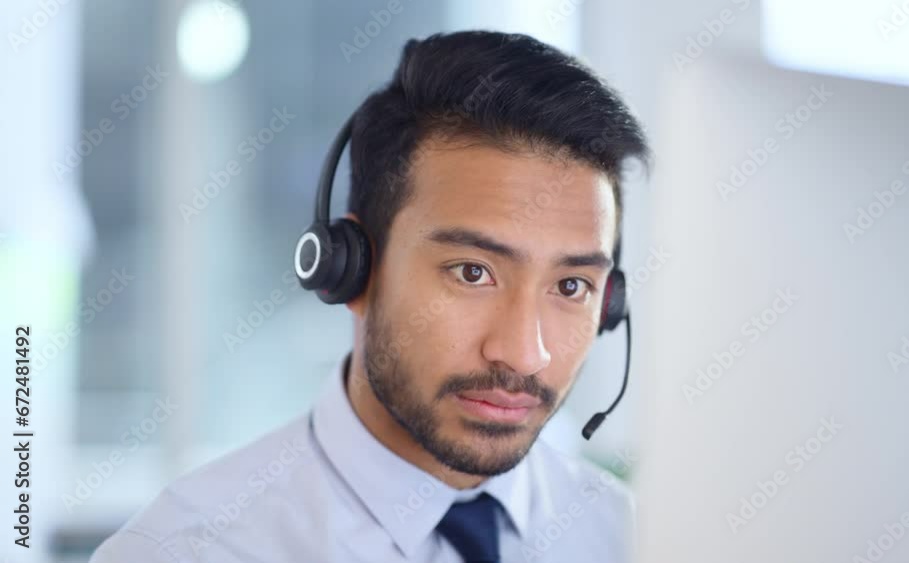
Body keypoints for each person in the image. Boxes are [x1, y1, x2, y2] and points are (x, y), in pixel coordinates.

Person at [91, 30, 649, 563]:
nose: (525, 355)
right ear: (351, 269)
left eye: (571, 287)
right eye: (473, 273)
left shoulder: (634, 537)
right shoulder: (182, 552)